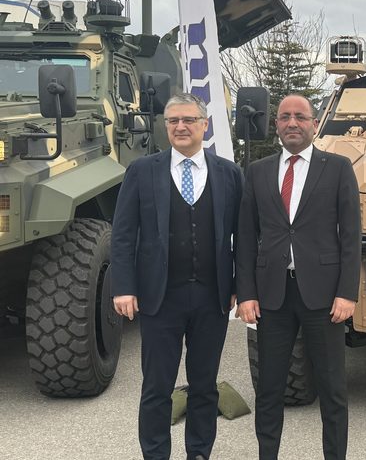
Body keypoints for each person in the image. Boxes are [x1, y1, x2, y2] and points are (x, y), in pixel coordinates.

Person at [110, 93, 243, 460]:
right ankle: (155, 454)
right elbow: (122, 234)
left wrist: (241, 287)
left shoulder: (229, 174)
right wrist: (123, 287)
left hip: (211, 298)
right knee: (157, 387)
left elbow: (243, 237)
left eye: (188, 120)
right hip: (159, 298)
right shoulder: (142, 171)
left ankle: (198, 452)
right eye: (173, 121)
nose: (181, 127)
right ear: (165, 126)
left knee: (204, 386)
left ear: (205, 125)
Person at [235, 94, 361, 460]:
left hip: (324, 298)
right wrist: (246, 293)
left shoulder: (337, 168)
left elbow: (351, 235)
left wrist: (347, 293)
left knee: (332, 390)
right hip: (272, 297)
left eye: (300, 117)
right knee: (269, 390)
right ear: (276, 125)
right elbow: (246, 236)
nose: (292, 123)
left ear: (314, 124)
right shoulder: (258, 171)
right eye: (285, 117)